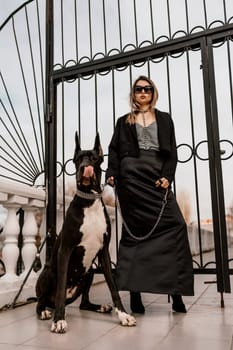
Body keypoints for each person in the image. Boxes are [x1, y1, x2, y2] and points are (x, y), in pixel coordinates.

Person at [105, 75, 194, 314]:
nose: (143, 92)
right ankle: (135, 295)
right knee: (135, 236)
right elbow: (113, 151)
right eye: (138, 89)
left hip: (157, 179)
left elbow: (172, 152)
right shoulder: (123, 121)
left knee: (176, 226)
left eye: (147, 89)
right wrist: (112, 173)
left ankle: (176, 294)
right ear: (133, 95)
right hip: (130, 182)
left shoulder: (165, 119)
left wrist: (168, 176)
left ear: (153, 93)